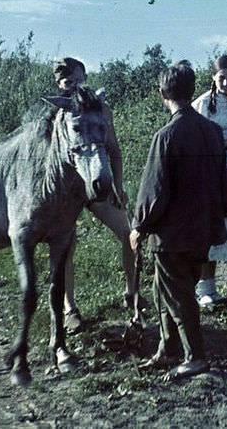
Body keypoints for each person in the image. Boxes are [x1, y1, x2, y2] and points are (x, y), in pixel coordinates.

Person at [129, 61, 227, 381]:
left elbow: (154, 189)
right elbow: (222, 183)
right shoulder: (213, 131)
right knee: (165, 290)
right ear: (191, 89)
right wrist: (220, 215)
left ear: (163, 94)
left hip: (171, 235)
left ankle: (195, 356)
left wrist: (139, 226)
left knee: (178, 294)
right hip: (202, 229)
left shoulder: (166, 135)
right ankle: (168, 348)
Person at [52, 57, 142, 332]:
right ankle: (69, 309)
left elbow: (113, 149)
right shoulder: (56, 115)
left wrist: (118, 185)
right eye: (68, 82)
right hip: (68, 192)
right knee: (66, 247)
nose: (75, 86)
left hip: (99, 185)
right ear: (59, 84)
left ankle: (132, 293)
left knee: (130, 235)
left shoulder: (102, 109)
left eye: (79, 79)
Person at [192, 55, 227, 307]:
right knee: (208, 226)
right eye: (221, 77)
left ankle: (213, 288)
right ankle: (204, 288)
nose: (226, 82)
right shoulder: (202, 104)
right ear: (213, 78)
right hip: (209, 171)